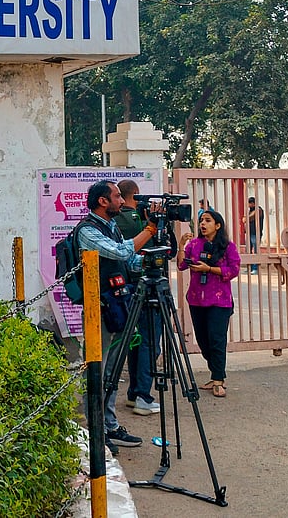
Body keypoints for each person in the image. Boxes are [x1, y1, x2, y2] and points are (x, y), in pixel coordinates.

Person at [77, 179, 158, 450]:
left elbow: (129, 260)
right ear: (103, 201)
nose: (122, 201)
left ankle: (109, 425)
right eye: (117, 197)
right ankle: (95, 432)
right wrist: (149, 229)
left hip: (117, 305)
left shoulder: (110, 227)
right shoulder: (88, 230)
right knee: (98, 372)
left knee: (112, 371)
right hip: (98, 309)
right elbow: (121, 251)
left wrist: (153, 257)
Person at [177, 208, 240, 398]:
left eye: (208, 220)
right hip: (197, 300)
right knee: (203, 341)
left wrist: (210, 269)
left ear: (218, 225)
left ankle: (219, 380)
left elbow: (233, 269)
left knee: (216, 340)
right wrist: (181, 245)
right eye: (201, 221)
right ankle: (215, 374)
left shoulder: (227, 246)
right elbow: (181, 265)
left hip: (219, 301)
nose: (203, 224)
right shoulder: (194, 244)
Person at [113, 179, 162, 417]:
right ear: (136, 195)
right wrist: (154, 222)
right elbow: (160, 249)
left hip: (125, 289)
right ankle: (143, 395)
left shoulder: (114, 221)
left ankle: (134, 394)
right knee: (149, 342)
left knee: (136, 342)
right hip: (144, 286)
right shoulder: (138, 222)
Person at [247, 196, 265, 274]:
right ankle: (250, 267)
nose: (248, 205)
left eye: (249, 203)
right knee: (249, 251)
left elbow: (248, 218)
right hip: (249, 233)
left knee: (255, 251)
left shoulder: (258, 210)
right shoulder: (250, 210)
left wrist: (246, 218)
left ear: (253, 204)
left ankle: (255, 268)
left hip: (256, 233)